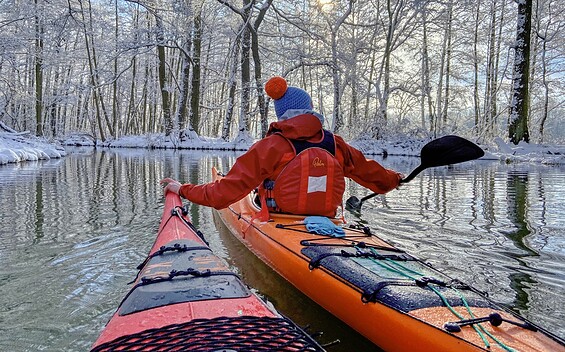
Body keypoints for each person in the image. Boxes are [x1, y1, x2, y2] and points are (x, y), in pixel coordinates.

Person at [161, 76, 402, 218]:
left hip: (280, 220)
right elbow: (372, 173)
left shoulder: (272, 146)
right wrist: (394, 179)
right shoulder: (334, 143)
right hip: (328, 224)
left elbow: (221, 195)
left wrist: (182, 189)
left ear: (281, 115)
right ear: (310, 110)